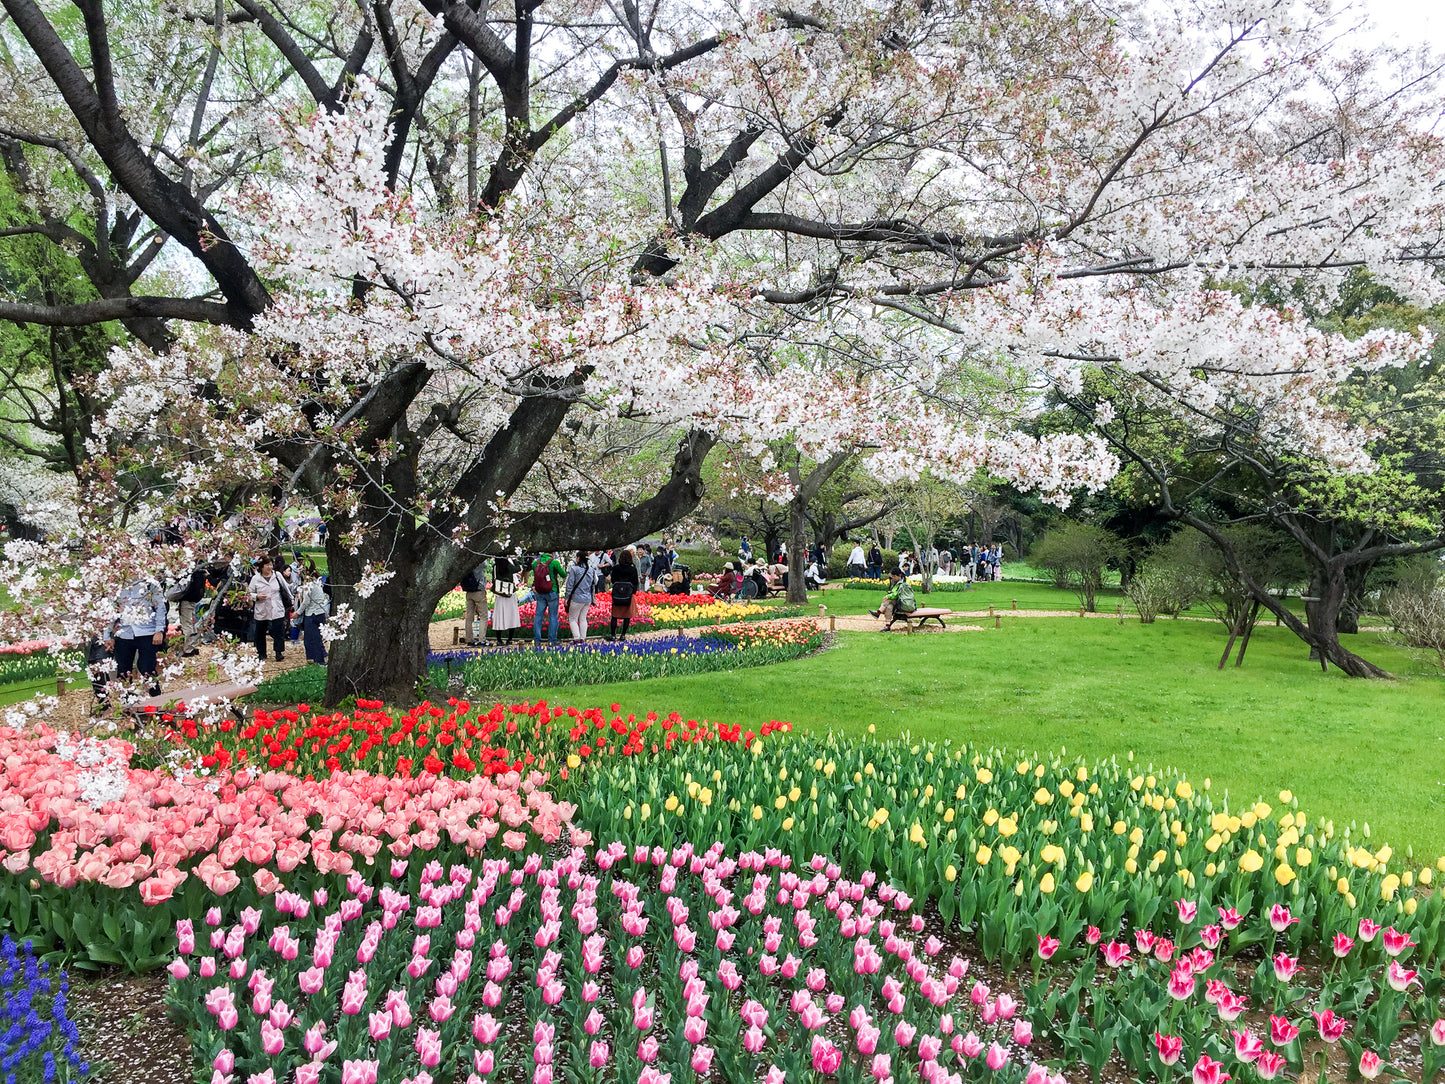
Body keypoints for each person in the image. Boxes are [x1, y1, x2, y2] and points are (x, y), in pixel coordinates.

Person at [106, 573, 168, 697]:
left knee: (147, 668)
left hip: (147, 631)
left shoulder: (150, 583)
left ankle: (157, 699)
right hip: (124, 632)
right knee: (123, 670)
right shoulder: (116, 584)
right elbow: (110, 610)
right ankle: (126, 704)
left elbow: (160, 606)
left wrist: (159, 630)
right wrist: (107, 635)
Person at [248, 556, 292, 662]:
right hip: (262, 609)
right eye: (267, 565)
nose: (269, 567)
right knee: (260, 632)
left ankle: (278, 652)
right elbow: (249, 593)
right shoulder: (256, 579)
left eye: (271, 565)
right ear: (261, 567)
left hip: (277, 607)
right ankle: (262, 653)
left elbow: (285, 588)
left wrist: (290, 601)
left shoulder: (277, 575)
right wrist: (257, 596)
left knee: (278, 631)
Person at [165, 560, 208, 658]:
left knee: (187, 624)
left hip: (187, 600)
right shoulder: (200, 573)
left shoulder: (191, 573)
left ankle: (189, 648)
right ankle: (193, 646)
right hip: (193, 600)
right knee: (191, 623)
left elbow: (184, 588)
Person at [296, 562, 330, 664]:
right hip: (320, 612)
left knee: (313, 639)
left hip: (312, 614)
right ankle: (315, 657)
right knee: (316, 638)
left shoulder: (309, 585)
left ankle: (319, 660)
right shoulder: (317, 583)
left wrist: (297, 613)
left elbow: (306, 601)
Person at [531, 551, 566, 646]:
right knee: (553, 616)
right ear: (553, 553)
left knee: (538, 616)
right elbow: (563, 574)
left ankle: (537, 640)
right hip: (552, 591)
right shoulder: (554, 562)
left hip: (540, 592)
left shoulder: (535, 562)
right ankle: (552, 640)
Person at [563, 550, 597, 642]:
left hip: (577, 598)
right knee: (583, 618)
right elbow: (595, 582)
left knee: (573, 618)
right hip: (588, 598)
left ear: (578, 558)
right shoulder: (591, 570)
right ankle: (583, 638)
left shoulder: (574, 569)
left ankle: (576, 638)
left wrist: (566, 597)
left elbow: (570, 585)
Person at [608, 548, 640, 641]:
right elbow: (635, 582)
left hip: (617, 594)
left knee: (614, 615)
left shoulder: (616, 568)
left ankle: (613, 635)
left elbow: (613, 580)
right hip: (628, 594)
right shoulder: (632, 568)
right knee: (627, 616)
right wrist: (633, 591)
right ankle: (623, 635)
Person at [490, 555, 522, 645]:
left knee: (499, 616)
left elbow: (493, 579)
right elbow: (518, 568)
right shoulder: (509, 566)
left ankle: (499, 639)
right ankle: (509, 639)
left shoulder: (495, 567)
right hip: (509, 593)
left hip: (499, 594)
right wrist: (514, 559)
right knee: (511, 616)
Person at [460, 556, 489, 646]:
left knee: (469, 617)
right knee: (483, 616)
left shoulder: (465, 560)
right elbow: (485, 564)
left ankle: (469, 639)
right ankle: (482, 639)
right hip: (479, 590)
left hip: (469, 591)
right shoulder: (477, 560)